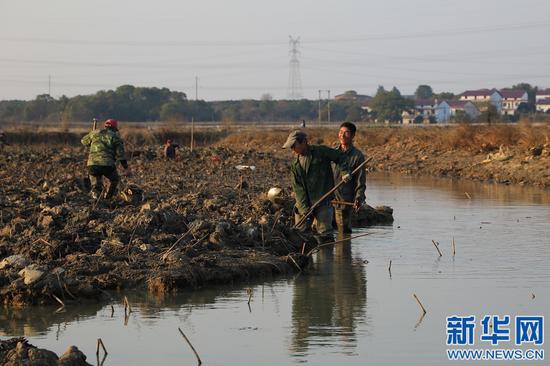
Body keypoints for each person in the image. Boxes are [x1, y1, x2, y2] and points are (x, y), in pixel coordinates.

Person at [283, 130, 351, 241]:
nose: (293, 150)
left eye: (294, 146)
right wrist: (304, 209)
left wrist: (345, 172)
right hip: (304, 203)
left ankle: (326, 257)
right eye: (291, 147)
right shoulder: (295, 164)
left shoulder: (321, 152)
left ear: (304, 142)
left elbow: (341, 157)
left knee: (325, 235)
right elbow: (298, 188)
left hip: (323, 201)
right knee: (300, 234)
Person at [81, 118, 129, 200]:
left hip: (92, 165)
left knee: (96, 185)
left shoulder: (94, 133)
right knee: (114, 180)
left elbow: (84, 141)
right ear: (114, 128)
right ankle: (108, 198)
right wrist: (125, 166)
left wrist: (92, 138)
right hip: (107, 165)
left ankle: (96, 200)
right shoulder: (115, 137)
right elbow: (120, 154)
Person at [332, 122, 366, 233]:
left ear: (352, 136)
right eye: (341, 132)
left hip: (344, 202)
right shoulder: (332, 153)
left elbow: (360, 181)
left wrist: (358, 198)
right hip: (328, 200)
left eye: (346, 133)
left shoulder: (357, 156)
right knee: (323, 234)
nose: (342, 135)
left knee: (344, 235)